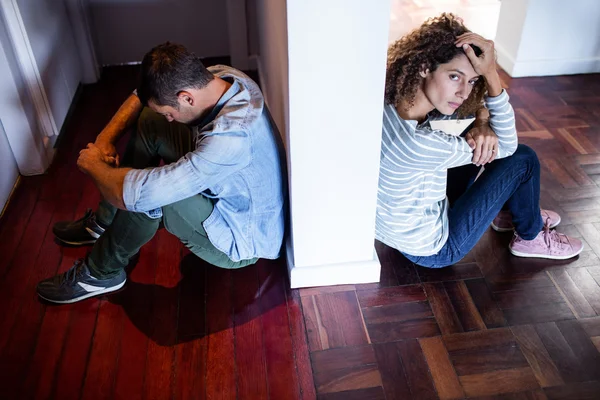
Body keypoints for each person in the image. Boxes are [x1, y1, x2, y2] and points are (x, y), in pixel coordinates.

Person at [37, 42, 286, 303]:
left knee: (155, 198)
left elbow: (141, 193)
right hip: (226, 187)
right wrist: (104, 141)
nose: (169, 118)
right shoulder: (222, 78)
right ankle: (104, 222)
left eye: (171, 112)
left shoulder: (229, 139)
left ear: (186, 98)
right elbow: (141, 97)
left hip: (241, 237)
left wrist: (93, 165)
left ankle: (100, 273)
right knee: (151, 120)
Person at [376, 13, 583, 269]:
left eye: (473, 80)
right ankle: (531, 236)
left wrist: (481, 122)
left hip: (398, 227)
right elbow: (508, 147)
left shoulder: (390, 101)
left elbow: (471, 111)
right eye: (454, 76)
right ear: (424, 66)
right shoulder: (420, 144)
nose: (464, 92)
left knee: (476, 134)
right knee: (522, 159)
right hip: (433, 248)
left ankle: (514, 213)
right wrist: (492, 75)